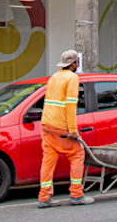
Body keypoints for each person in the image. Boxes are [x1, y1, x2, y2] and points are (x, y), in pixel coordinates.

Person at [37, 50, 94, 207]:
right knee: (77, 154)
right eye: (76, 62)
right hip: (61, 126)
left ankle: (44, 197)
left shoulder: (54, 77)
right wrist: (72, 130)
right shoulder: (73, 78)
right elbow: (70, 105)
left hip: (47, 125)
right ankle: (76, 194)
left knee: (48, 159)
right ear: (74, 63)